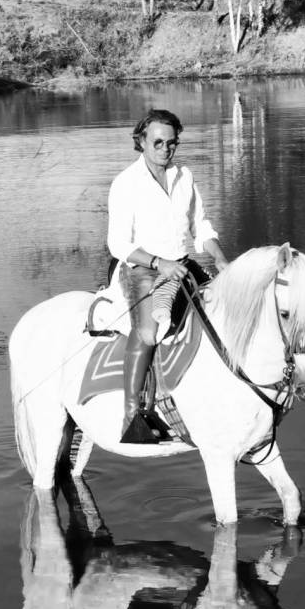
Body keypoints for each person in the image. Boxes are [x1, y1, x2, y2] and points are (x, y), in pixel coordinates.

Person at [107, 109, 228, 444]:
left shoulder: (184, 176)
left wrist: (220, 259)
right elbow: (118, 244)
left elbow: (201, 226)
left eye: (171, 142)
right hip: (143, 269)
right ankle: (132, 415)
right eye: (157, 142)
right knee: (149, 332)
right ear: (141, 141)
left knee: (222, 308)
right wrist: (159, 263)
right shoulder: (126, 183)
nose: (165, 149)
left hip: (182, 264)